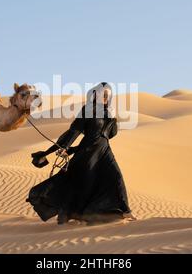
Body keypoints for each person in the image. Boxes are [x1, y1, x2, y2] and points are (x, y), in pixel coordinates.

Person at [26, 82, 135, 225]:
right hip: (87, 153)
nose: (105, 97)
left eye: (107, 95)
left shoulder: (110, 112)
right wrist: (64, 146)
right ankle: (74, 214)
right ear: (95, 95)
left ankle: (124, 210)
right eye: (102, 94)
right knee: (84, 184)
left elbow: (111, 134)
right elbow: (74, 131)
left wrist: (112, 117)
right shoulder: (87, 110)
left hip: (104, 151)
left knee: (116, 177)